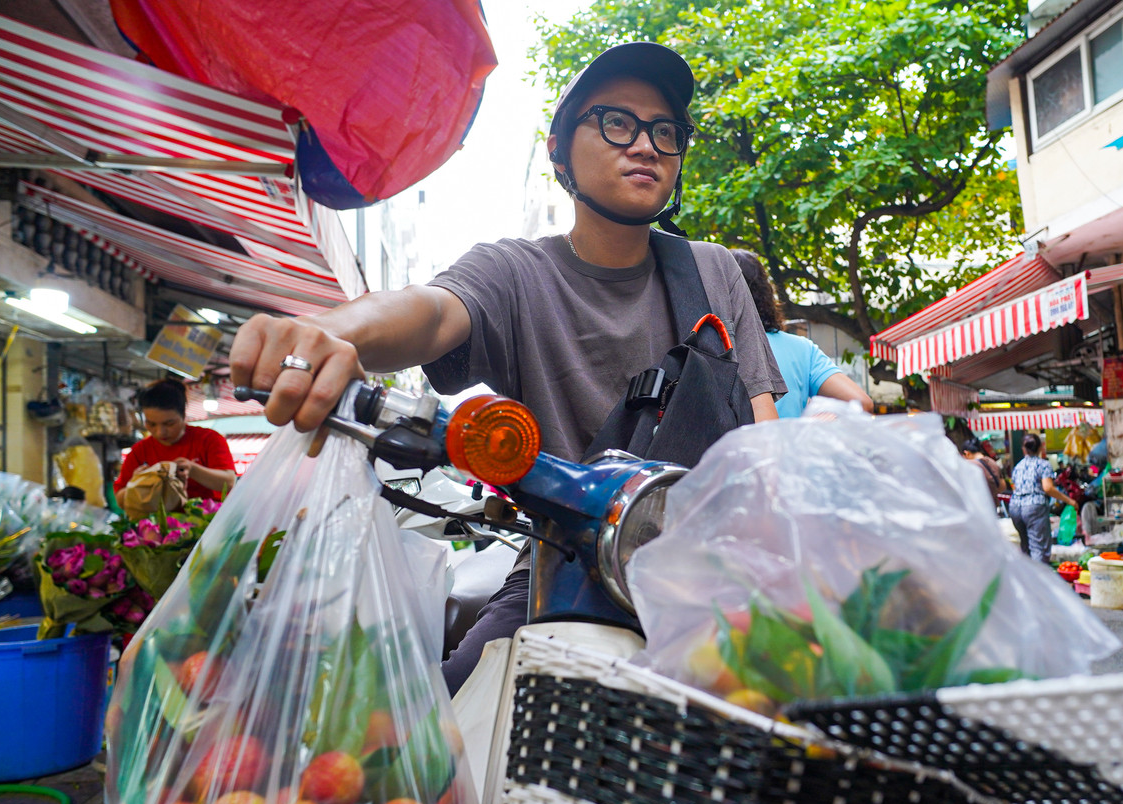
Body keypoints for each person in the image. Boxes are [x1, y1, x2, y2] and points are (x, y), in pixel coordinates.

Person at [228, 43, 785, 692]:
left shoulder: (714, 271)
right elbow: (432, 313)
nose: (645, 145)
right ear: (557, 149)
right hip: (563, 572)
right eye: (616, 123)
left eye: (666, 131)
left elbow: (762, 442)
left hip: (713, 585)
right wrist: (326, 332)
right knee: (439, 740)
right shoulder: (517, 273)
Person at [731, 249, 872, 417]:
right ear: (766, 292)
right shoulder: (802, 349)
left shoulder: (713, 350)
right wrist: (810, 423)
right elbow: (862, 403)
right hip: (790, 443)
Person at [114, 379, 236, 508]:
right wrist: (137, 484)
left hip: (207, 522)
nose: (160, 432)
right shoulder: (140, 450)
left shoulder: (209, 439)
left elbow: (229, 482)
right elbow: (120, 500)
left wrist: (192, 469)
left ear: (183, 415)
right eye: (151, 424)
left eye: (169, 423)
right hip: (158, 525)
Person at [1008, 432, 1078, 562]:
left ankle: (1026, 578)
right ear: (1041, 448)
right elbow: (1048, 488)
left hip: (1015, 507)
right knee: (1038, 548)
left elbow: (1015, 487)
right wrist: (1069, 501)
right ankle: (1039, 579)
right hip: (1034, 506)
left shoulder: (1018, 466)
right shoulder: (1043, 464)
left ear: (1024, 449)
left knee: (1025, 546)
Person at [961, 438, 1003, 506]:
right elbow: (1002, 486)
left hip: (977, 508)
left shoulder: (969, 465)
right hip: (992, 508)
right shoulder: (993, 463)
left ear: (967, 453)